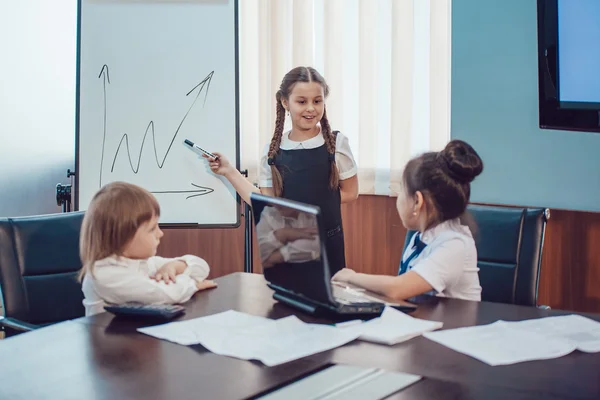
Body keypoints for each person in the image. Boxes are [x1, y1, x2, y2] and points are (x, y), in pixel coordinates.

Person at [205, 66, 359, 274]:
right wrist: (228, 170)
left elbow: (351, 192)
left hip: (328, 245)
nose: (311, 108)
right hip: (288, 248)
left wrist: (307, 204)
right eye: (302, 101)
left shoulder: (337, 143)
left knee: (328, 302)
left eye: (317, 101)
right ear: (285, 102)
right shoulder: (273, 151)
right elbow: (265, 201)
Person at [332, 140, 484, 301]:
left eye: (401, 190)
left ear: (417, 201)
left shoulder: (455, 244)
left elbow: (399, 288)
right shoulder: (422, 237)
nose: (399, 198)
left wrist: (350, 277)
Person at [79, 181, 217, 316]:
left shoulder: (145, 261)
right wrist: (193, 284)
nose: (160, 233)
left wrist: (174, 266)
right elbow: (170, 294)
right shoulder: (104, 274)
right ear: (123, 237)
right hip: (109, 337)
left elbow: (202, 267)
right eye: (152, 229)